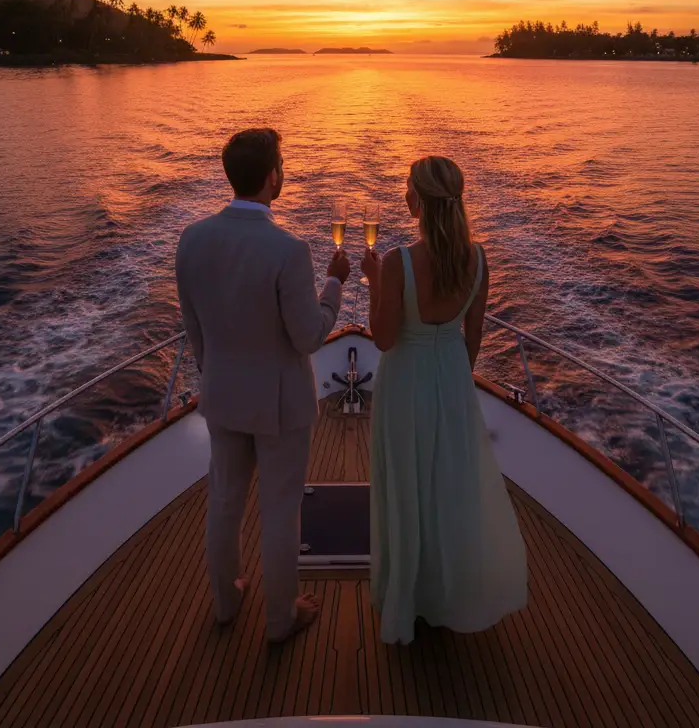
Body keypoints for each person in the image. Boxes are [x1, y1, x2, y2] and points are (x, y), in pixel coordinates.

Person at [176, 128, 350, 641]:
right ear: (273, 175)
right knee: (280, 510)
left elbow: (194, 328)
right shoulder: (288, 251)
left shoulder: (192, 238)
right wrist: (334, 285)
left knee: (224, 503)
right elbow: (309, 337)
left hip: (224, 395)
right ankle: (280, 619)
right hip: (280, 406)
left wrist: (217, 377)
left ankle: (227, 602)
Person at [361, 155, 527, 644]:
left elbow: (384, 337)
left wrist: (373, 284)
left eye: (407, 186)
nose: (403, 193)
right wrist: (452, 381)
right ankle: (446, 591)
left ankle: (407, 594)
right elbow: (472, 338)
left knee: (406, 482)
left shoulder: (397, 263)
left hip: (406, 380)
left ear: (418, 200)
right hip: (452, 376)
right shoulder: (477, 259)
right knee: (446, 484)